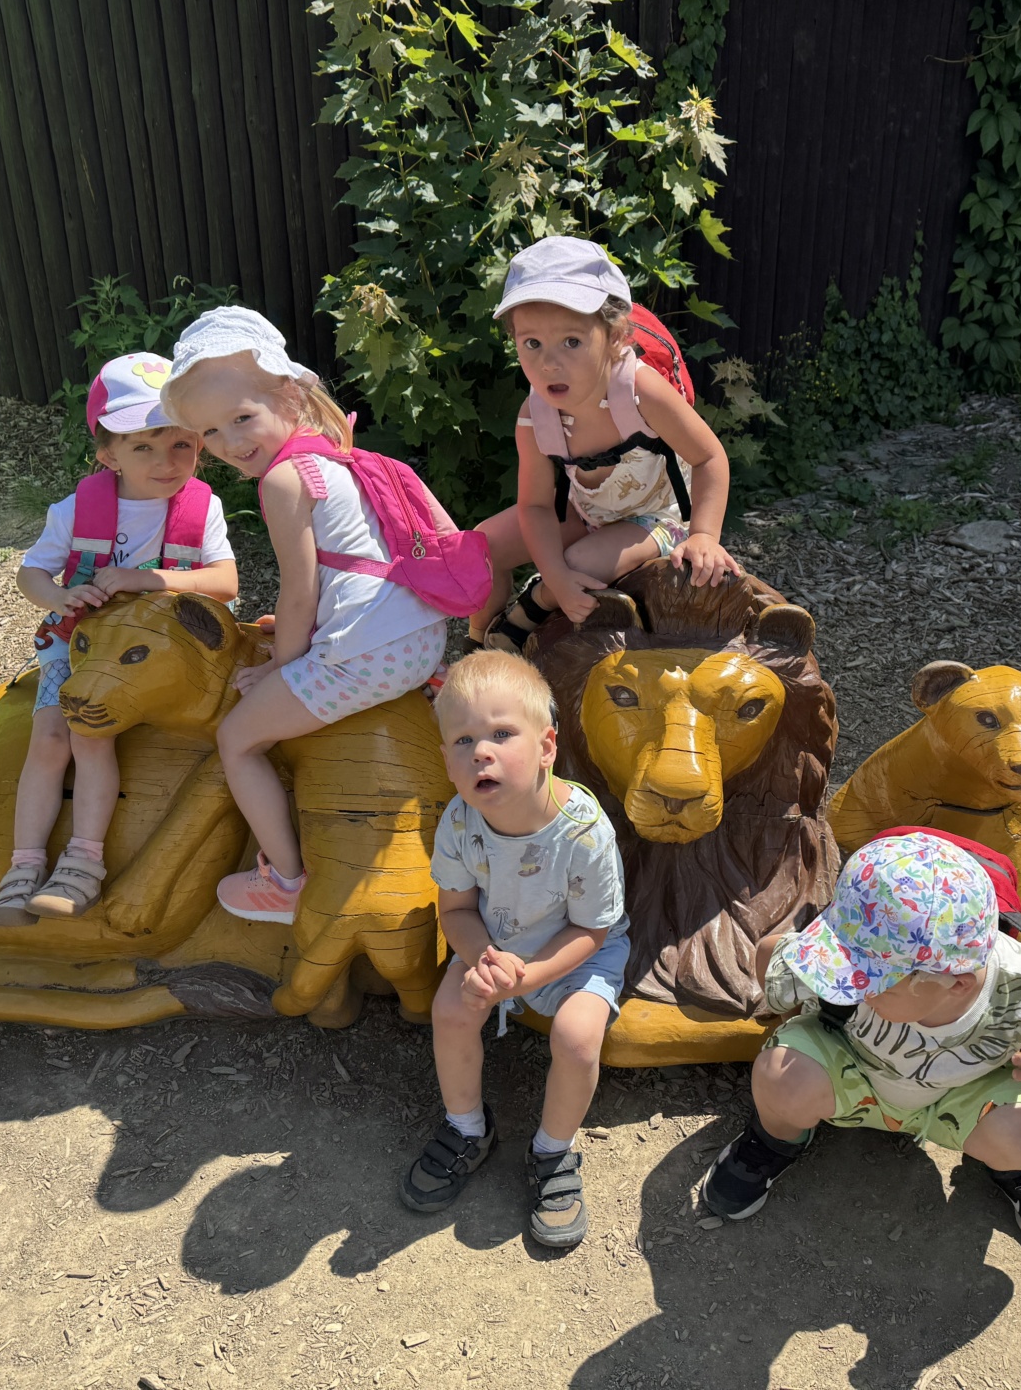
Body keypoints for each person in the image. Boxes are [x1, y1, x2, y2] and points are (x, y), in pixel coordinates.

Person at [700, 831, 1021, 1258]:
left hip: (962, 1099)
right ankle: (776, 1138)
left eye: (870, 982)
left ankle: (1013, 1164)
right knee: (779, 1073)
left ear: (956, 984)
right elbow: (771, 954)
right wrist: (796, 1022)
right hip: (856, 1075)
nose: (852, 988)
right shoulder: (866, 944)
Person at [160, 307, 451, 925]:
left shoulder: (283, 480)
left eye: (242, 418)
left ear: (289, 397)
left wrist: (280, 668)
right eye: (210, 432)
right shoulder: (334, 456)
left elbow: (299, 593)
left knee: (237, 739)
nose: (230, 442)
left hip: (370, 655)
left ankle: (287, 882)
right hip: (421, 638)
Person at [0, 353, 238, 926]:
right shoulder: (76, 510)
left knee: (91, 737)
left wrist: (149, 579)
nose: (166, 461)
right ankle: (23, 867)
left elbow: (225, 583)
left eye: (181, 444)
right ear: (108, 454)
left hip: (159, 655)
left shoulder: (203, 509)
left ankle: (83, 863)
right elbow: (31, 573)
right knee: (54, 736)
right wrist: (58, 598)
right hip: (79, 644)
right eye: (143, 446)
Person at [400, 650, 628, 1250]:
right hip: (495, 944)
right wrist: (484, 959)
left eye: (502, 734)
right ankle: (467, 1128)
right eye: (463, 740)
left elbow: (592, 931)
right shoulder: (459, 821)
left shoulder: (584, 832)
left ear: (547, 746)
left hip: (577, 952)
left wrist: (526, 979)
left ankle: (553, 1149)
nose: (482, 751)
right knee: (451, 1010)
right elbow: (456, 911)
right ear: (446, 760)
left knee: (577, 1037)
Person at [470, 235, 742, 653]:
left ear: (615, 336)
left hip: (658, 517)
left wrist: (704, 536)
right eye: (532, 343)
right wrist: (555, 573)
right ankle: (477, 652)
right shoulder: (535, 415)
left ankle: (525, 617)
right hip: (586, 511)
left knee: (579, 564)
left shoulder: (639, 391)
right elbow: (537, 506)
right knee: (480, 547)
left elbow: (708, 457)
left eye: (572, 342)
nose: (549, 363)